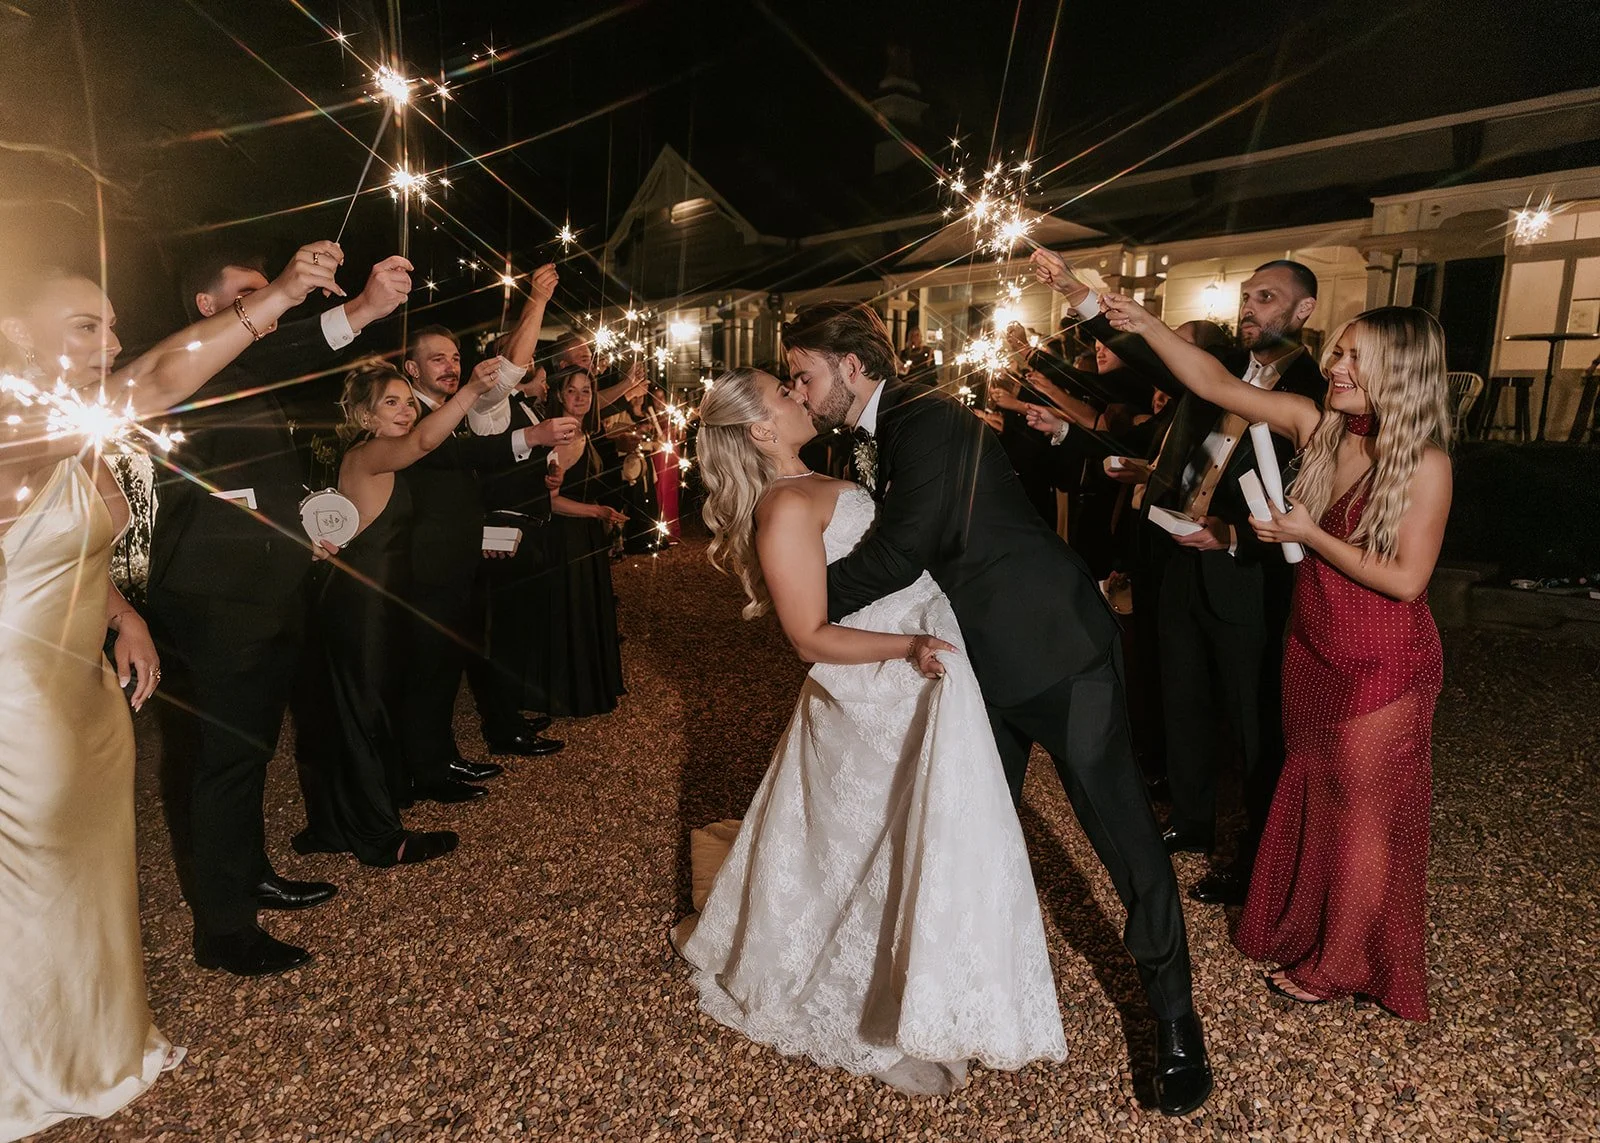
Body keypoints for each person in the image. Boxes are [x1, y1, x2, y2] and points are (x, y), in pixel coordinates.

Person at [782, 301, 1210, 1116]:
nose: (800, 393)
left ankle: (1176, 1022)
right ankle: (963, 1003)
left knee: (1119, 830)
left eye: (804, 375)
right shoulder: (868, 435)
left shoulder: (930, 419)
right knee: (962, 831)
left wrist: (804, 602)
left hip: (1055, 652)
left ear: (849, 364)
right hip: (971, 669)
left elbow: (906, 544)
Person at [0, 244, 338, 1136]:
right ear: (11, 335)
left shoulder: (66, 429)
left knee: (84, 875)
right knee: (27, 878)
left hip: (81, 687)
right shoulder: (11, 426)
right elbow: (154, 377)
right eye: (85, 326)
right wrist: (286, 297)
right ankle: (27, 1068)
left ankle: (91, 1043)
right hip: (17, 701)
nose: (110, 343)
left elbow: (61, 542)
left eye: (112, 325)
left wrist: (121, 614)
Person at [674, 368, 1066, 1095]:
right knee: (862, 847)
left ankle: (925, 996)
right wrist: (907, 650)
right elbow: (807, 637)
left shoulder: (819, 476)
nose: (798, 392)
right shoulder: (783, 506)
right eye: (783, 393)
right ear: (762, 429)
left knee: (917, 840)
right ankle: (865, 1017)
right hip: (874, 688)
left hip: (919, 675)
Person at [1101, 296, 1451, 1020]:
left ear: (1400, 368)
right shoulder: (1320, 428)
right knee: (1320, 800)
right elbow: (1217, 386)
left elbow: (1409, 580)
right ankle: (1309, 928)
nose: (1336, 364)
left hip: (1381, 661)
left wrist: (1309, 534)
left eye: (1355, 355)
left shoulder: (1424, 461)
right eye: (1339, 351)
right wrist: (1147, 326)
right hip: (1313, 646)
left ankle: (1345, 961)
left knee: (1360, 816)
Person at [148, 242, 411, 976]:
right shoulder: (195, 363)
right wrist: (356, 310)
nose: (268, 305)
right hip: (215, 591)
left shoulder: (255, 374)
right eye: (249, 294)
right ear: (208, 307)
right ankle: (224, 928)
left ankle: (250, 870)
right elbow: (273, 354)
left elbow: (260, 473)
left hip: (270, 584)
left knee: (252, 747)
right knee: (224, 759)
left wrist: (307, 525)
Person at [1034, 249, 1326, 908]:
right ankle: (1192, 821)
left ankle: (1256, 854)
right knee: (1182, 696)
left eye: (1267, 298)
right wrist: (1079, 296)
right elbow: (1146, 358)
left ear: (1305, 310)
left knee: (1253, 723)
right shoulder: (1222, 367)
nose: (1249, 309)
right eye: (1247, 297)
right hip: (1180, 559)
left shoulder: (1312, 388)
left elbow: (1317, 495)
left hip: (1247, 572)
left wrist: (1234, 534)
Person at [292, 357, 502, 867]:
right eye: (393, 402)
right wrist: (472, 388)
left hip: (375, 602)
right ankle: (381, 839)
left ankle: (338, 824)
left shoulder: (374, 456)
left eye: (409, 402)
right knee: (364, 715)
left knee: (355, 712)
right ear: (365, 417)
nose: (407, 410)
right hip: (362, 605)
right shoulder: (370, 453)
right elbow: (426, 441)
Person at [397, 313, 576, 799]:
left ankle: (444, 758)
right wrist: (533, 439)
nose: (451, 366)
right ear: (411, 369)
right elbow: (461, 457)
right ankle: (427, 771)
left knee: (445, 667)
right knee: (428, 671)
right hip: (424, 563)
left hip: (458, 557)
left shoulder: (445, 412)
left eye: (455, 357)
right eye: (438, 359)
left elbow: (471, 461)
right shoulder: (410, 414)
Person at [524, 368, 628, 717]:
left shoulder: (582, 433)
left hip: (584, 536)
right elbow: (549, 500)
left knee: (583, 608)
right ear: (559, 395)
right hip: (563, 538)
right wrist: (595, 511)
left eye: (587, 390)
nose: (581, 397)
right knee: (569, 609)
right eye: (572, 391)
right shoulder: (561, 438)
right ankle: (569, 692)